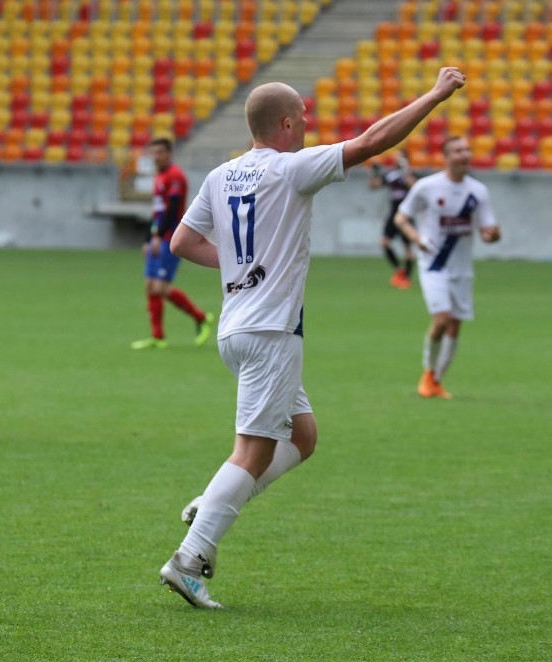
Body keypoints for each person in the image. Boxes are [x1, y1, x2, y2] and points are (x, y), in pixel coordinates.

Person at [157, 67, 467, 608]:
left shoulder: (220, 176)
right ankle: (190, 557)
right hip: (271, 332)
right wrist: (435, 95)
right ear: (284, 124)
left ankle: (211, 502)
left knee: (302, 438)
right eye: (302, 120)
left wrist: (238, 269)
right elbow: (373, 141)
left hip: (237, 329)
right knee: (251, 454)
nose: (307, 128)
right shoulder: (292, 169)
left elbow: (182, 241)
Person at [393, 135, 501, 400]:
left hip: (462, 268)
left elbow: (488, 230)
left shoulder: (478, 191)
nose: (464, 154)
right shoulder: (426, 187)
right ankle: (428, 374)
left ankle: (436, 380)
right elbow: (401, 218)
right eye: (458, 151)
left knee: (455, 325)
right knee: (441, 319)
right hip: (434, 263)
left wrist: (492, 236)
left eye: (467, 149)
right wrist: (416, 238)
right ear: (446, 157)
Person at [130, 137, 214, 350]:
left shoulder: (175, 176)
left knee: (160, 287)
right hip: (158, 238)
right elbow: (157, 212)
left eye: (160, 152)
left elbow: (171, 209)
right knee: (150, 285)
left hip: (171, 238)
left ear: (169, 153)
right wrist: (148, 239)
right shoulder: (159, 177)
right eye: (153, 152)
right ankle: (157, 337)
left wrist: (158, 237)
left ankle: (201, 317)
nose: (156, 156)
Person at [368, 149, 417, 288]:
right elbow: (373, 186)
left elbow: (414, 185)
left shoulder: (409, 174)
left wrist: (406, 169)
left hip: (406, 214)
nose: (397, 159)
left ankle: (406, 278)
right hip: (393, 213)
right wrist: (373, 171)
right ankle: (399, 271)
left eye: (401, 157)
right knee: (384, 242)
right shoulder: (391, 175)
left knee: (408, 248)